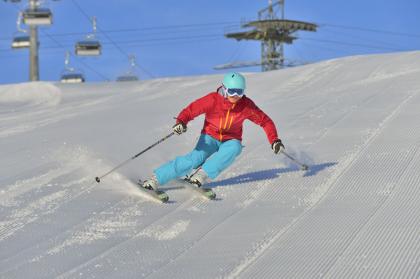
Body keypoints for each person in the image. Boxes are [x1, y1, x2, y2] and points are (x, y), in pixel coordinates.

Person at [142, 72, 285, 190]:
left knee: (235, 147)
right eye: (232, 91)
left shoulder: (246, 106)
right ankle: (156, 179)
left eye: (239, 92)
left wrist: (274, 140)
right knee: (195, 159)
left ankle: (201, 175)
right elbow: (191, 110)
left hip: (230, 139)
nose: (235, 95)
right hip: (210, 136)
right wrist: (181, 122)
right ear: (224, 88)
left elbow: (265, 121)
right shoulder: (212, 100)